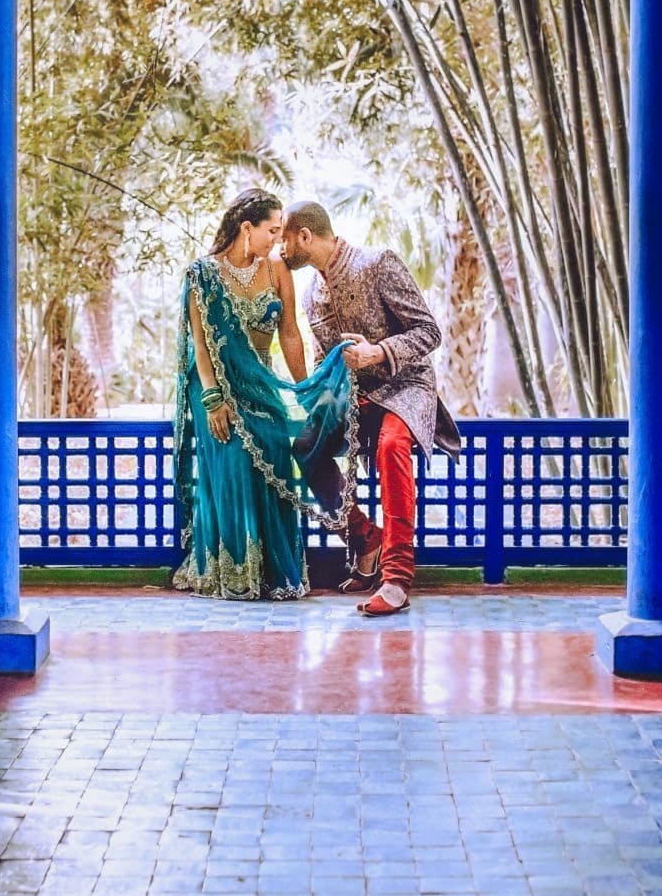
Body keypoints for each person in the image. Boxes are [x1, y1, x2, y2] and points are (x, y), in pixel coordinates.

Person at [172, 188, 357, 601]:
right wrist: (213, 401)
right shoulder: (202, 274)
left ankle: (274, 573)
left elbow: (290, 333)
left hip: (263, 386)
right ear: (246, 228)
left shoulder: (277, 271)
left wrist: (305, 388)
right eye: (272, 230)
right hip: (216, 389)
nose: (278, 239)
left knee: (275, 449)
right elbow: (200, 346)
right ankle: (234, 572)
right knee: (235, 457)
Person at [282, 199, 461, 617]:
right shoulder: (311, 296)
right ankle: (365, 538)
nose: (281, 250)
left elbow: (429, 332)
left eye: (286, 240)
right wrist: (318, 394)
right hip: (358, 398)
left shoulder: (377, 263)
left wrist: (378, 352)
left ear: (305, 236)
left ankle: (397, 577)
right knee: (305, 449)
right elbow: (329, 358)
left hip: (405, 386)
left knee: (391, 447)